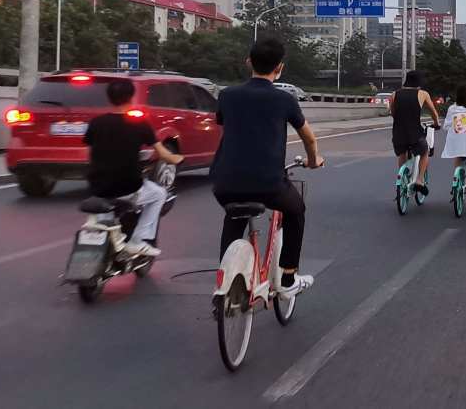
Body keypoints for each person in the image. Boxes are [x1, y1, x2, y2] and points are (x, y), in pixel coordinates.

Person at [212, 38, 325, 297]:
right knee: (296, 210)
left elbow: (226, 125)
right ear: (280, 68)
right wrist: (313, 159)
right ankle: (288, 278)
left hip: (224, 182)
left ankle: (224, 280)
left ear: (248, 62)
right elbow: (309, 137)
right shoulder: (284, 100)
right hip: (267, 183)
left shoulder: (227, 95)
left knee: (234, 215)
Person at [83, 79, 184, 257]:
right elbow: (163, 154)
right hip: (127, 187)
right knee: (159, 194)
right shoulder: (139, 123)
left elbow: (91, 152)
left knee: (103, 213)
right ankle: (138, 240)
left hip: (97, 187)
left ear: (109, 98)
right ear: (131, 98)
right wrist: (177, 158)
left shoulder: (96, 123)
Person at [390, 70, 442, 194]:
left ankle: (402, 176)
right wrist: (436, 123)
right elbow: (433, 112)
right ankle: (419, 180)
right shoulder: (422, 94)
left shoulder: (394, 94)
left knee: (402, 153)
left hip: (398, 132)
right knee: (424, 151)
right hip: (415, 132)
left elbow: (393, 113)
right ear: (419, 82)